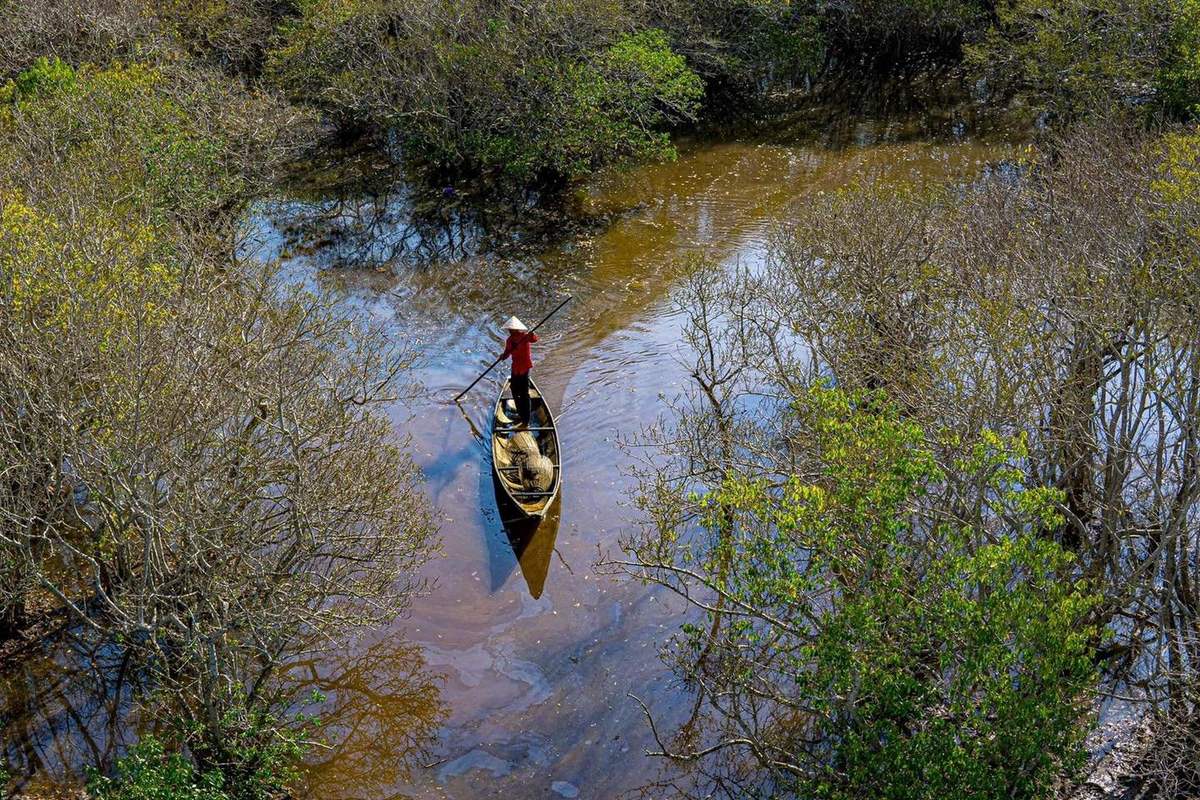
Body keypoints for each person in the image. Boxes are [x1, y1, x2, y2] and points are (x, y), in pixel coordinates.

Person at [499, 316, 538, 423]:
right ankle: (521, 414)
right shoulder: (510, 340)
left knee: (524, 393)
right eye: (509, 329)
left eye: (512, 329)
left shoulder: (525, 337)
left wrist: (532, 335)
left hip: (524, 367)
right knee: (514, 390)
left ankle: (526, 419)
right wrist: (503, 356)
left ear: (516, 329)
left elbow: (534, 339)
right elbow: (507, 352)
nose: (510, 331)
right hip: (515, 367)